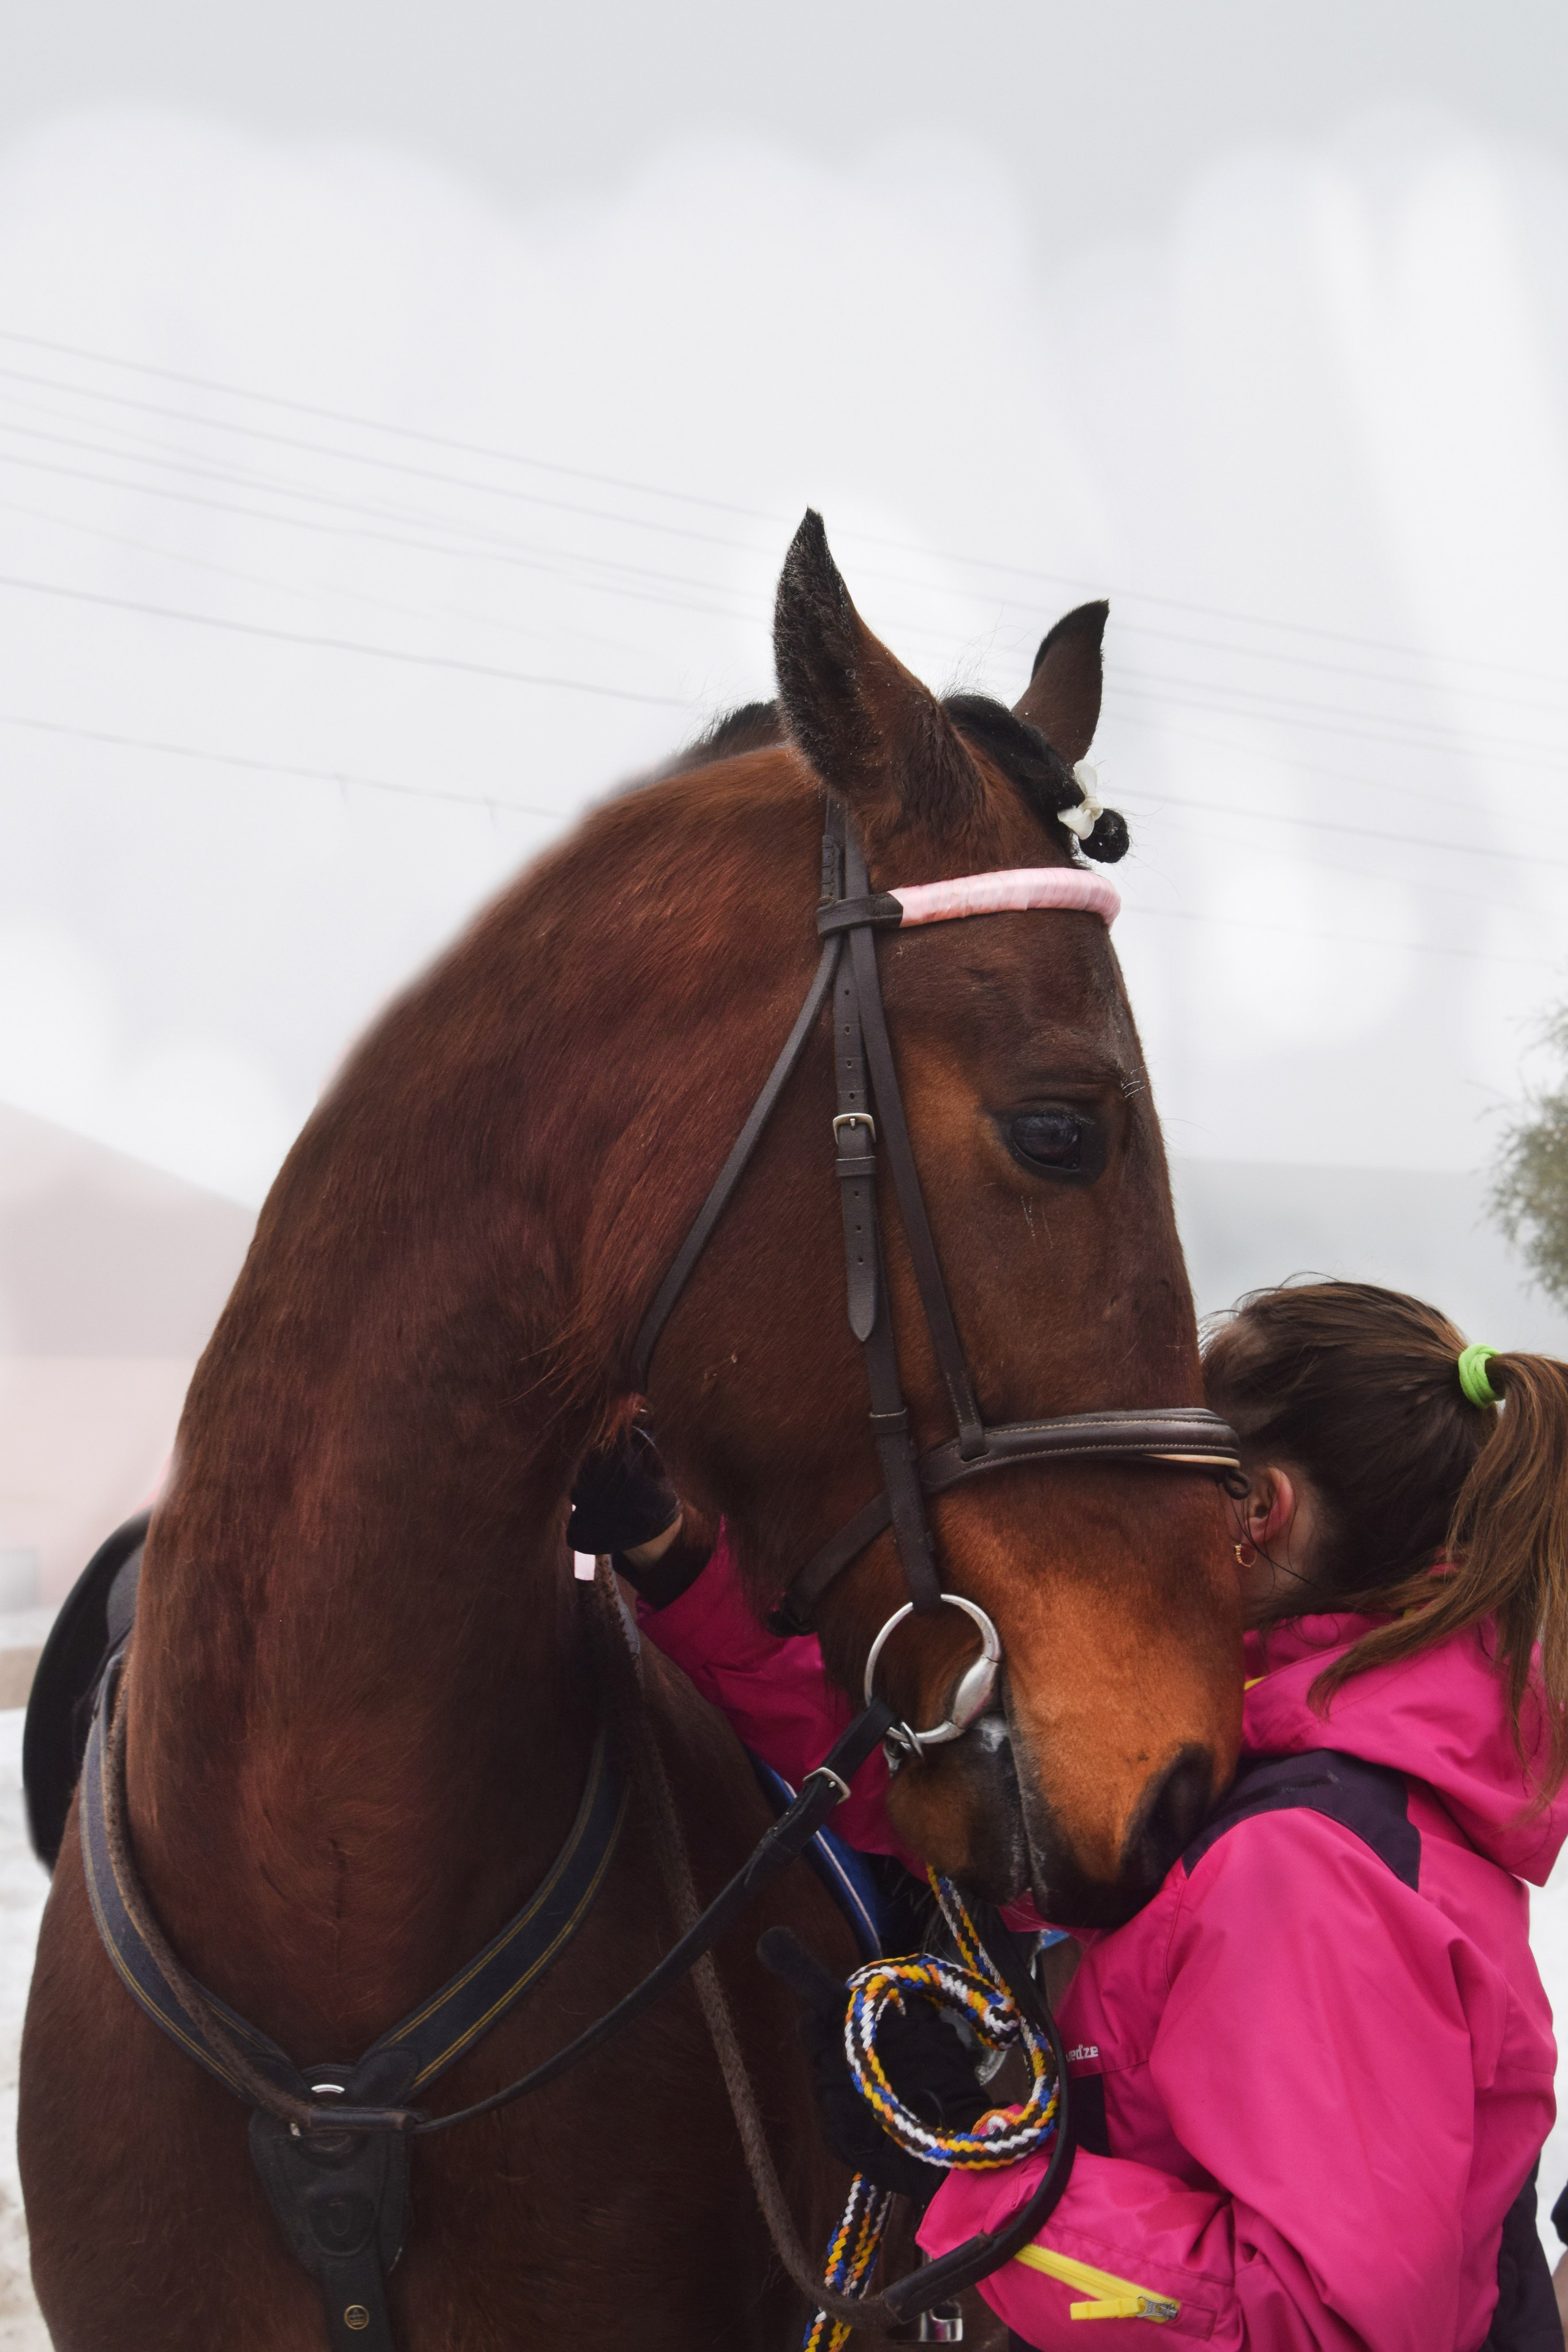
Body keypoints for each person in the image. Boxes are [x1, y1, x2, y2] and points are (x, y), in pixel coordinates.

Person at [570, 1281, 1568, 2351]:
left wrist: (967, 2163)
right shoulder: (1277, 1740)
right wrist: (674, 1554)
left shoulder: (1308, 1868)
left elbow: (1323, 2328)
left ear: (1254, 1512)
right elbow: (947, 1784)